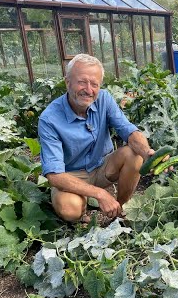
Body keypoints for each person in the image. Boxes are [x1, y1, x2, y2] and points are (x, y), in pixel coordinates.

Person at [38, 54, 164, 222]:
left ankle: (118, 208)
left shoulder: (104, 99)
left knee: (134, 155)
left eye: (94, 84)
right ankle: (82, 211)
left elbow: (129, 131)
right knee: (70, 208)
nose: (88, 90)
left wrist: (148, 154)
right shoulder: (49, 119)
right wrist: (100, 194)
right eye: (82, 82)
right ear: (67, 82)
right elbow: (54, 175)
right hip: (71, 176)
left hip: (102, 168)